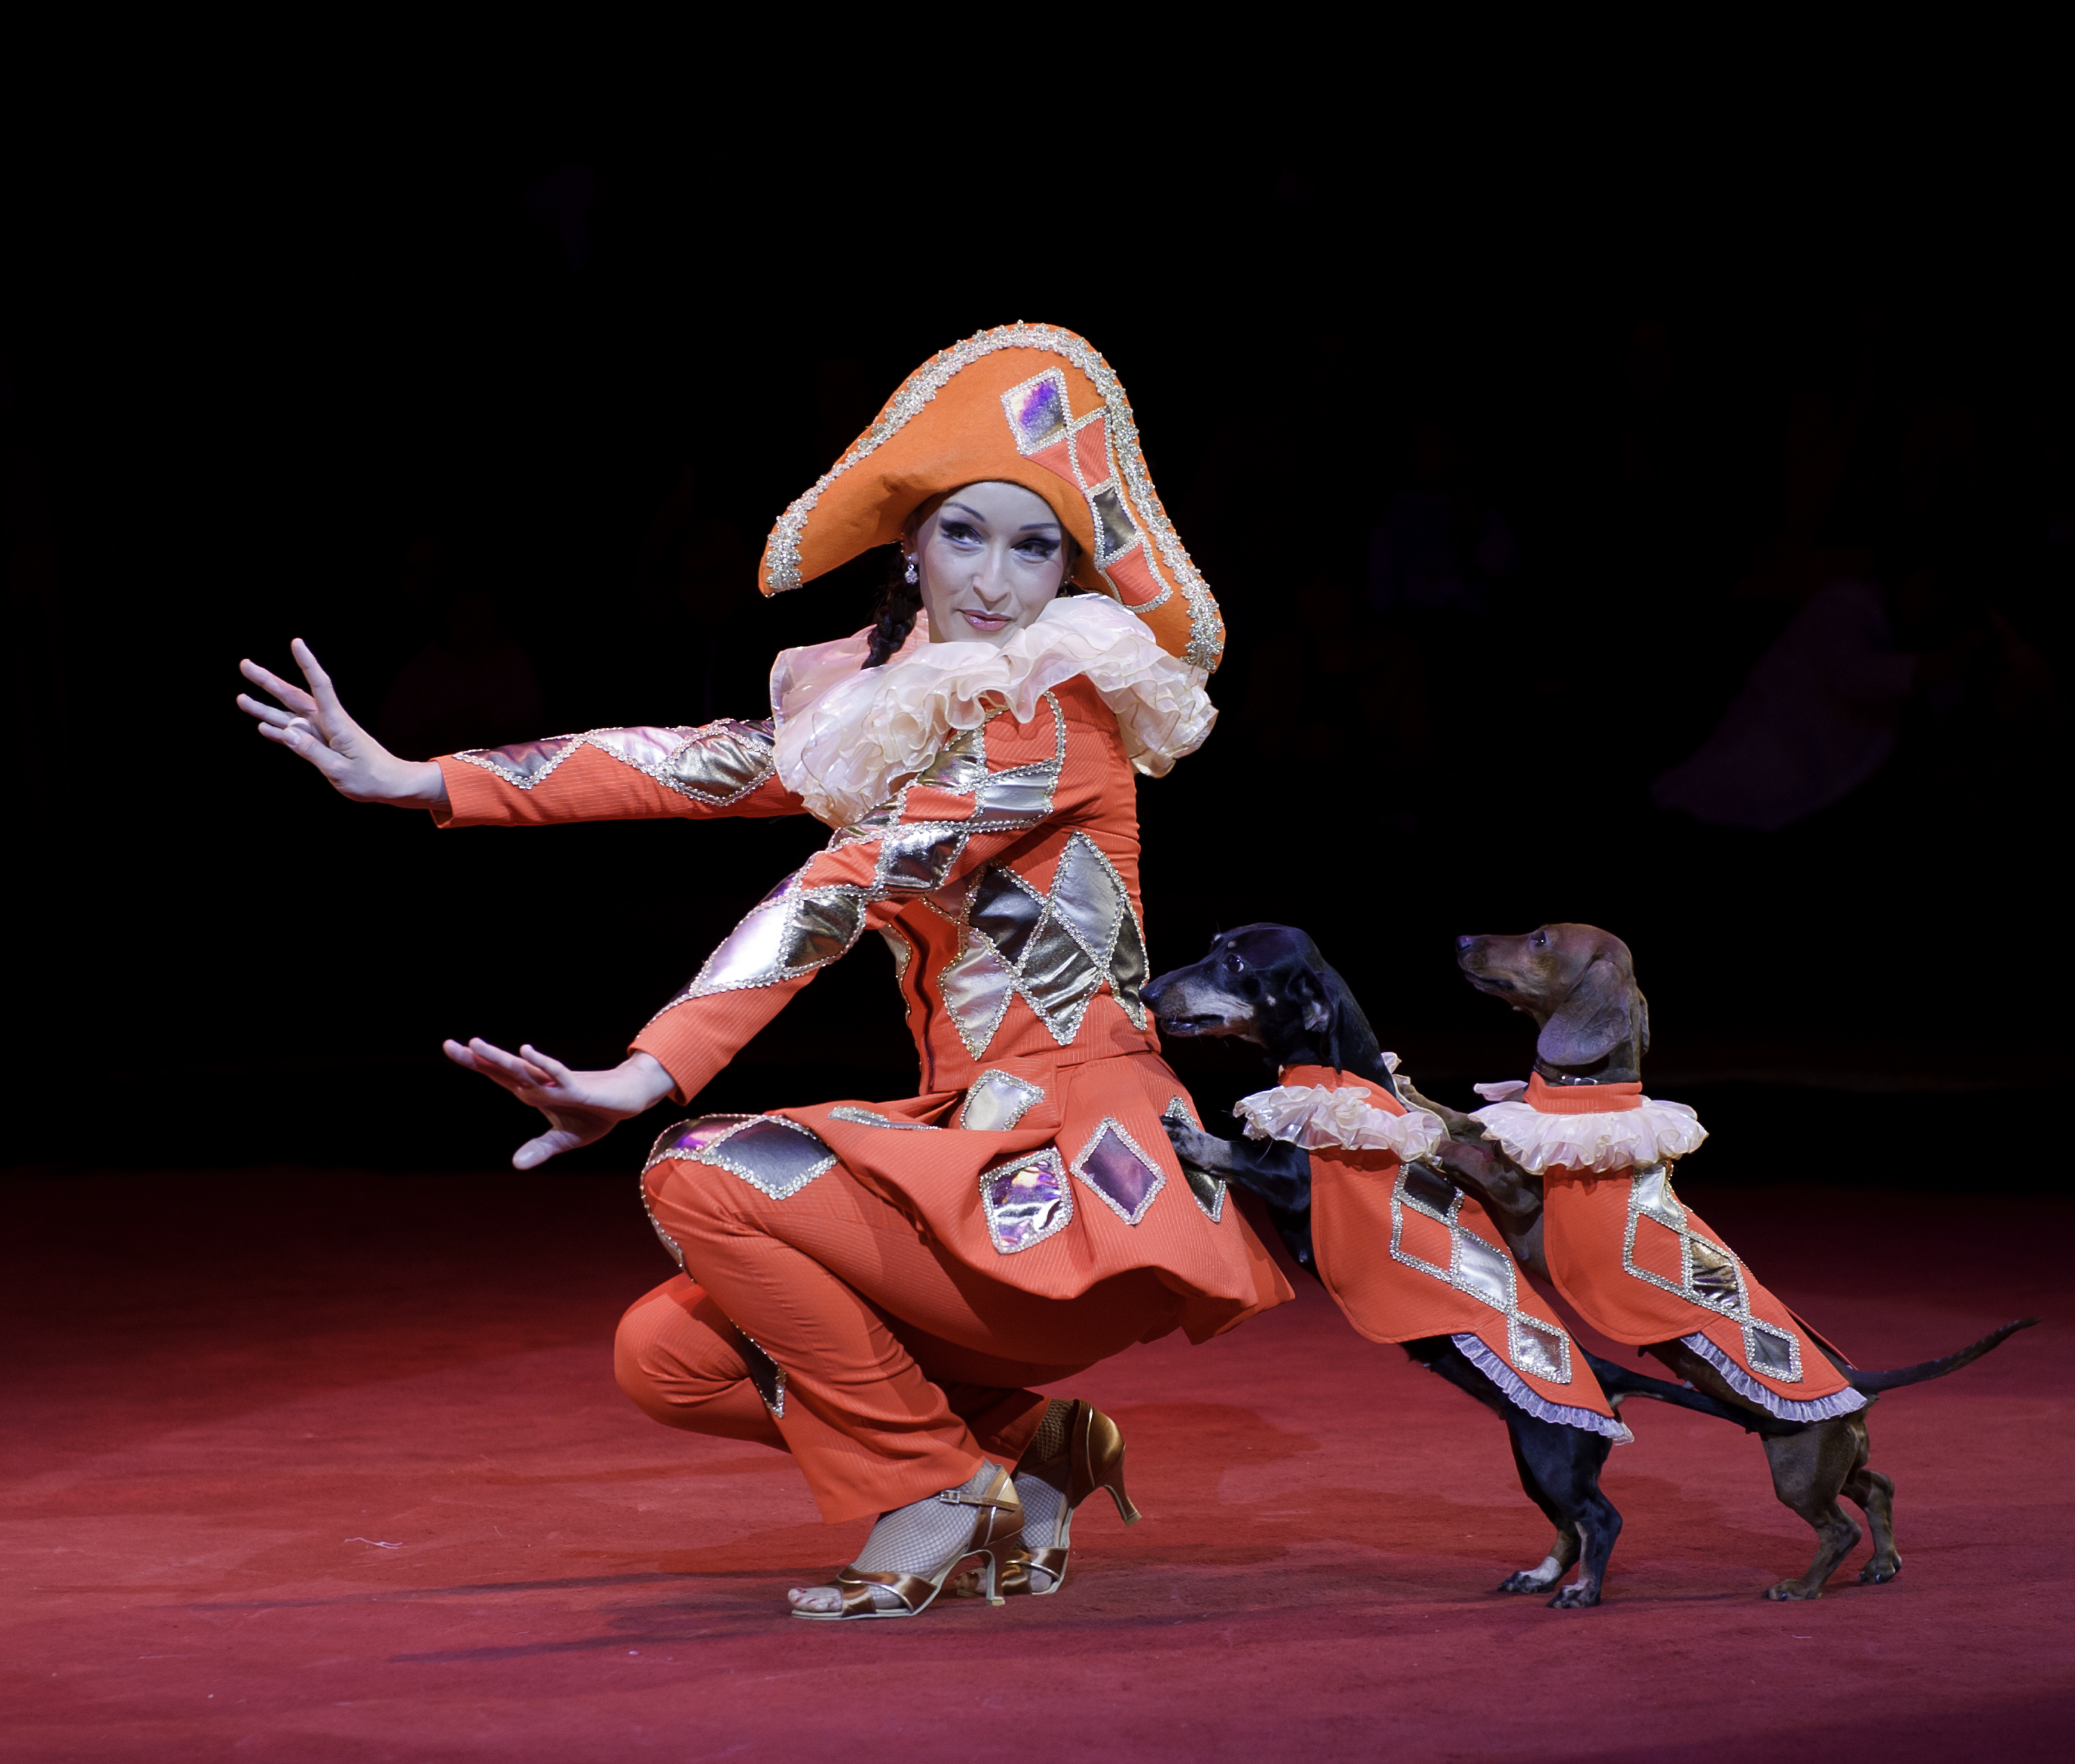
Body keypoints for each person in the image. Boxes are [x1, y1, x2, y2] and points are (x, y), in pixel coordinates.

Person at [235, 324, 1290, 1621]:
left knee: (702, 1168)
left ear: (1068, 570)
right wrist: (425, 780)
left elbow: (844, 885)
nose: (995, 580)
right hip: (972, 1145)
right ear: (909, 546)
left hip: (1077, 1164)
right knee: (668, 1357)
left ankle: (931, 1482)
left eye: (1035, 548)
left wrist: (646, 1073)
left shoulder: (1054, 715)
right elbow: (692, 764)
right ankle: (1030, 1447)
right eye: (964, 535)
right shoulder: (902, 707)